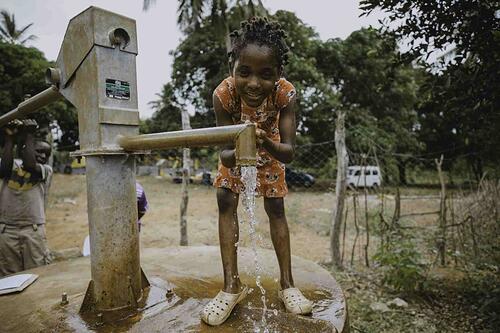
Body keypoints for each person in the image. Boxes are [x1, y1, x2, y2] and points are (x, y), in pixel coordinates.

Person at [201, 17, 313, 326]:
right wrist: (241, 148)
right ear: (232, 68)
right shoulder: (223, 95)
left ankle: (288, 285)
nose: (253, 83)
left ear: (279, 74)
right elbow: (224, 154)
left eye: (265, 74)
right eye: (244, 72)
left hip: (271, 149)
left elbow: (289, 152)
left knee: (275, 207)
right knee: (225, 198)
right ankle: (230, 286)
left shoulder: (285, 94)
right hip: (236, 153)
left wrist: (263, 141)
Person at [0, 119, 53, 277]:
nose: (43, 156)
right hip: (6, 230)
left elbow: (30, 165)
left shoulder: (46, 170)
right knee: (8, 277)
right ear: (25, 149)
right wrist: (9, 138)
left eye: (46, 154)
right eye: (39, 151)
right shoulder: (10, 165)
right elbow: (3, 170)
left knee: (37, 274)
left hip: (33, 229)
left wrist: (29, 134)